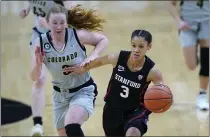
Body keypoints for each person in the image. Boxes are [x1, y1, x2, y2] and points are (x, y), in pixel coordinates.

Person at [67, 30, 169, 136]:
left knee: (133, 133)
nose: (136, 50)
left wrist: (160, 101)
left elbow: (162, 91)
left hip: (136, 111)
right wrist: (82, 69)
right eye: (134, 45)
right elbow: (100, 61)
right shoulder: (118, 58)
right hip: (112, 108)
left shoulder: (152, 72)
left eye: (141, 46)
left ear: (149, 47)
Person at [30, 5, 108, 137]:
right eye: (55, 23)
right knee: (66, 132)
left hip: (83, 90)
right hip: (60, 97)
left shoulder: (77, 36)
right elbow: (34, 77)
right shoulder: (41, 43)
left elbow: (103, 39)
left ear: (66, 23)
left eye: (62, 22)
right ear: (47, 23)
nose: (59, 26)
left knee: (71, 124)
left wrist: (93, 55)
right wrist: (38, 65)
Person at [19, 1, 76, 136]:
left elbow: (74, 21)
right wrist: (26, 10)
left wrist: (51, 26)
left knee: (67, 81)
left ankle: (71, 122)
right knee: (39, 79)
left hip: (60, 40)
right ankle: (37, 125)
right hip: (38, 37)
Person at [166, 0, 209, 110]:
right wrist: (178, 21)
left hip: (206, 24)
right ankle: (195, 52)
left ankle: (202, 94)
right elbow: (170, 4)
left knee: (206, 61)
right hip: (187, 26)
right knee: (192, 65)